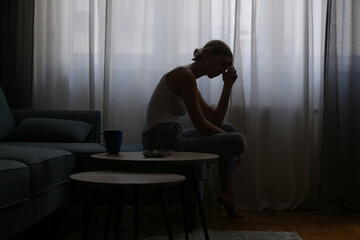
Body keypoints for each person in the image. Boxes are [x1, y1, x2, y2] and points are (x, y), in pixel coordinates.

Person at [142, 40, 247, 217]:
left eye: (227, 66)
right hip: (161, 140)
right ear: (208, 54)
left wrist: (227, 85)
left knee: (229, 129)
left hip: (170, 134)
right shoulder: (185, 76)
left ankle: (228, 194)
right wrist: (231, 145)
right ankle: (229, 195)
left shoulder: (189, 78)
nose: (223, 69)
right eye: (221, 63)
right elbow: (201, 125)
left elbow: (215, 119)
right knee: (237, 140)